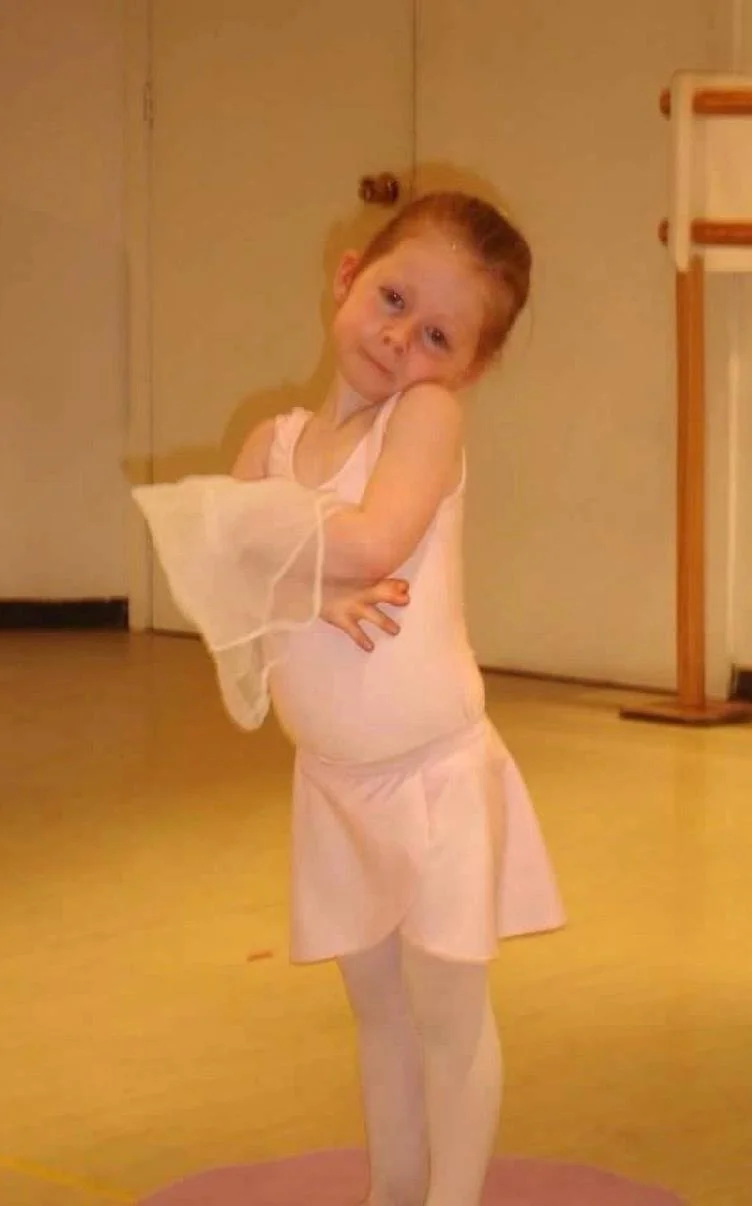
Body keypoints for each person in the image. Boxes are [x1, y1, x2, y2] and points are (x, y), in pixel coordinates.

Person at [135, 191, 564, 1206]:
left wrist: (289, 571)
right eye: (390, 296)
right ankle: (394, 1190)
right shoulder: (272, 447)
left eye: (434, 336)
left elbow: (371, 540)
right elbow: (214, 580)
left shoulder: (424, 421)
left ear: (467, 370)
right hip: (331, 783)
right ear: (344, 276)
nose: (396, 338)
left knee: (446, 1013)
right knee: (375, 1011)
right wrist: (298, 586)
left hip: (432, 778)